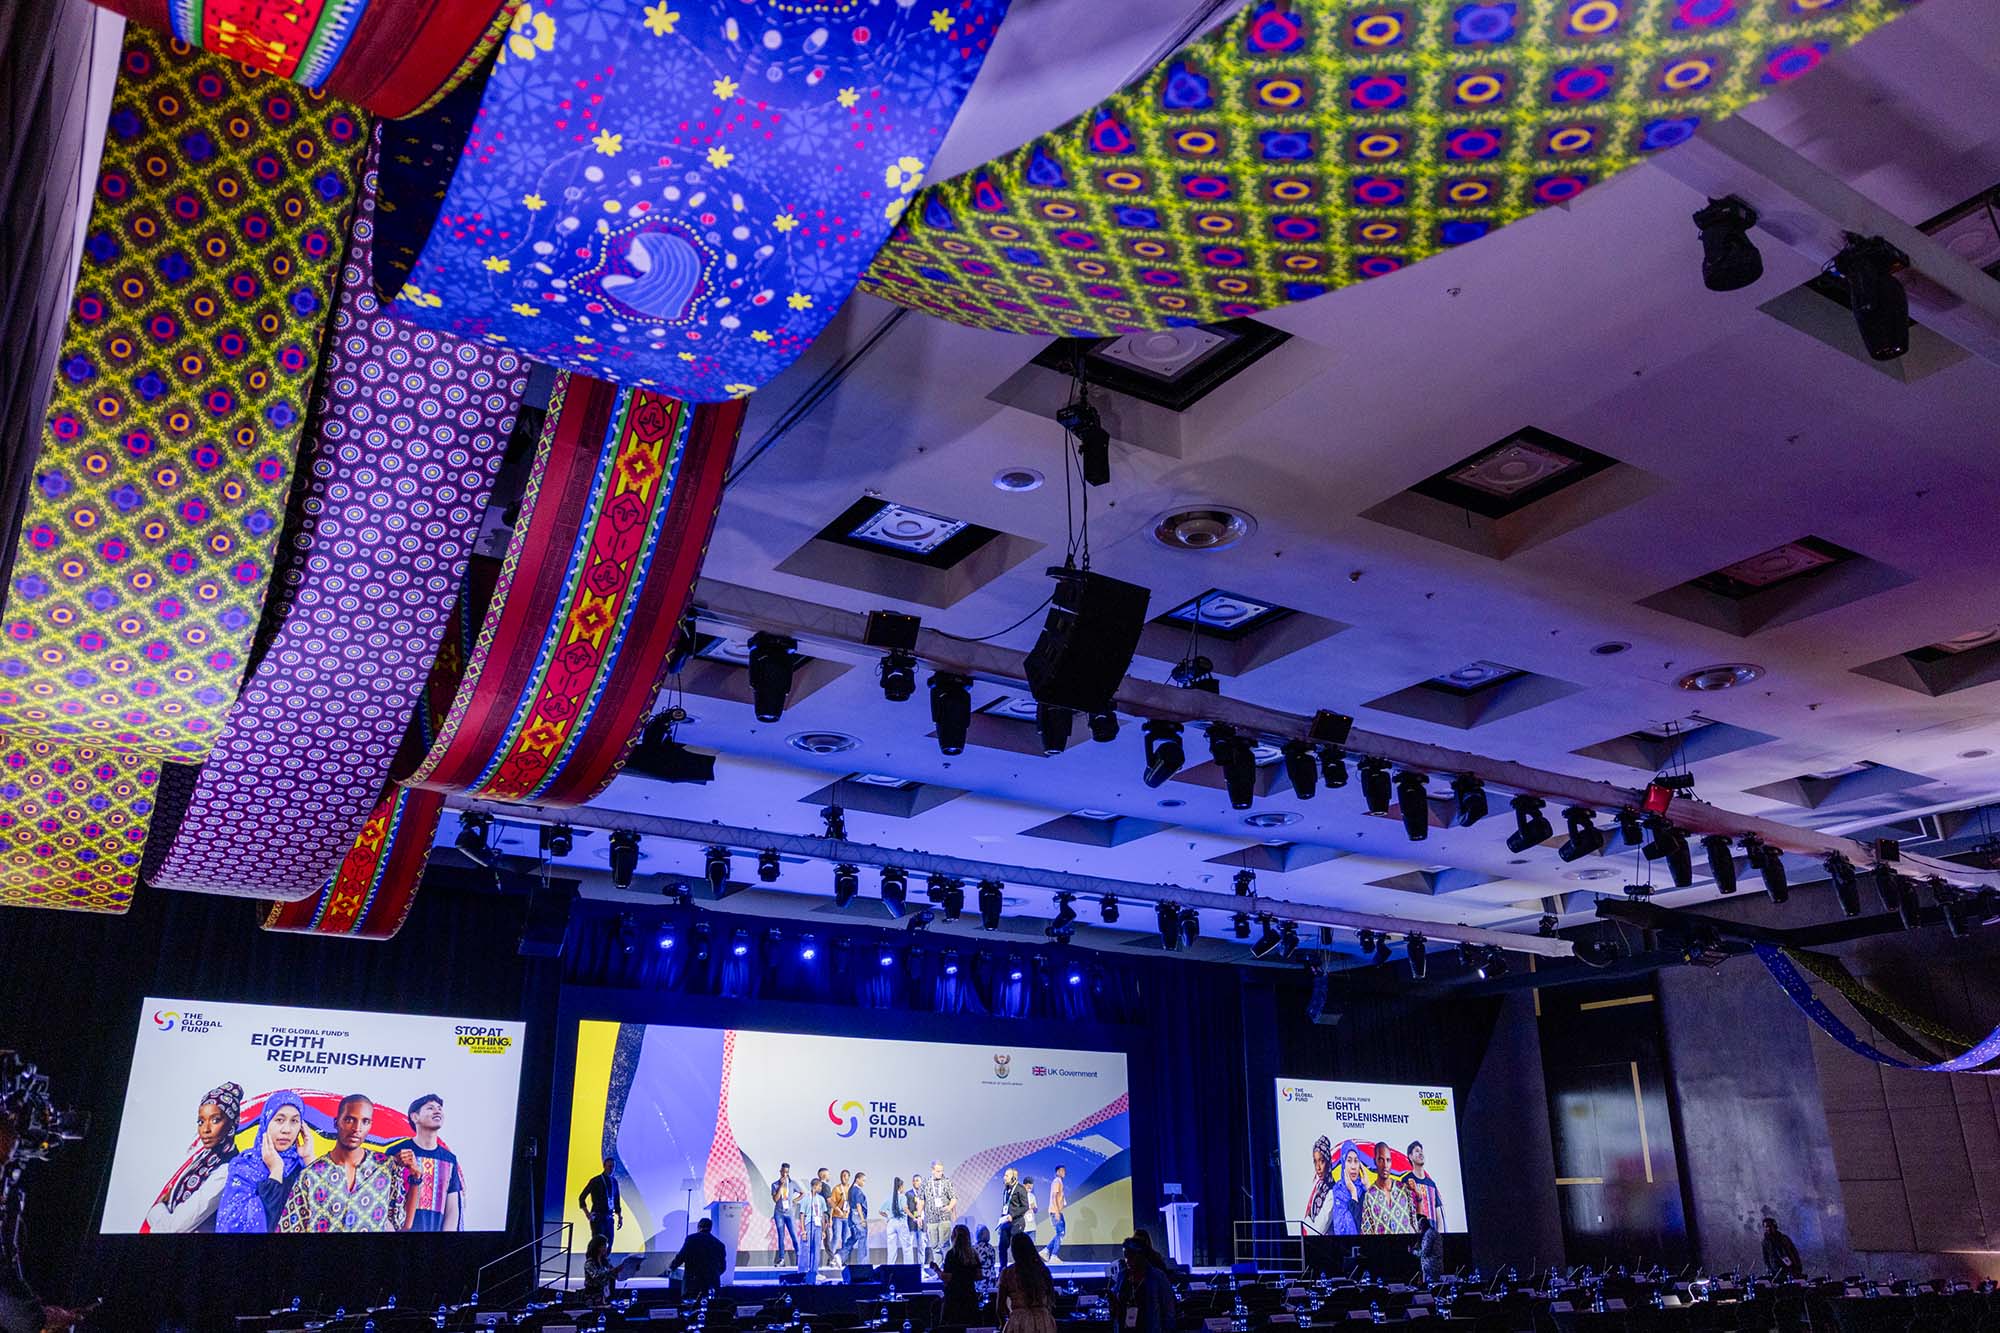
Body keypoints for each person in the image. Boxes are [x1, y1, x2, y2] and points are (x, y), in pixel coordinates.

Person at [276, 1094, 404, 1232]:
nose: (357, 1128)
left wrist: (416, 1180)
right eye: (349, 1120)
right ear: (336, 1122)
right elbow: (289, 1229)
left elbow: (400, 1222)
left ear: (370, 1125)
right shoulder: (311, 1176)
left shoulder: (385, 1168)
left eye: (365, 1121)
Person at [142, 1082, 243, 1233]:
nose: (205, 1129)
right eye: (201, 1122)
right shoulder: (203, 1158)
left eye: (215, 1120)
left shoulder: (228, 1170)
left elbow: (173, 1229)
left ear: (232, 1123)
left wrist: (156, 1209)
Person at [216, 1090, 312, 1233]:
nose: (287, 1130)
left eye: (294, 1121)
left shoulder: (302, 1165)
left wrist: (309, 1159)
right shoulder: (244, 1166)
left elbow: (327, 1214)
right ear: (266, 1121)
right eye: (279, 1120)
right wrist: (276, 1173)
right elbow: (232, 1226)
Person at [386, 1093, 464, 1232]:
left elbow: (452, 1207)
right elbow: (383, 1196)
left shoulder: (449, 1159)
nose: (437, 1110)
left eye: (440, 1108)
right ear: (415, 1117)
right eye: (430, 1108)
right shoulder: (397, 1152)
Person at [997, 1232, 1057, 1333]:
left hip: (1018, 1323)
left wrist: (1004, 1323)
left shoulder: (1008, 1273)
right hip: (1043, 1322)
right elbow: (1051, 1300)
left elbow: (1000, 1307)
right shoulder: (1043, 1270)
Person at [1118, 1234, 1175, 1333]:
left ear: (1140, 1255)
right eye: (1125, 1257)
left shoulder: (1158, 1277)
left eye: (1130, 1256)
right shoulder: (1122, 1275)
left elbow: (1168, 1310)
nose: (1127, 1261)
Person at [1360, 1141, 1416, 1235]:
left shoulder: (1403, 1190)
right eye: (1381, 1160)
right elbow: (1366, 1235)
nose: (1385, 1165)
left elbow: (1415, 1226)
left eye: (1388, 1160)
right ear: (1375, 1161)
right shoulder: (1369, 1196)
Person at [671, 1215, 729, 1301]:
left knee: (690, 1309)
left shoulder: (691, 1239)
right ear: (710, 1228)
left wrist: (671, 1267)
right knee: (711, 1311)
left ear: (698, 1227)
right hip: (712, 1285)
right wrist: (712, 1275)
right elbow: (723, 1267)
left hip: (693, 1284)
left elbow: (681, 1256)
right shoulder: (720, 1244)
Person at [938, 1224, 984, 1325]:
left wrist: (936, 1270)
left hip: (953, 1298)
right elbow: (979, 1275)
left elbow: (947, 1277)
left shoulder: (951, 1254)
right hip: (970, 1296)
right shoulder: (973, 1254)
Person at [578, 1156, 622, 1245]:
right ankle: (593, 1259)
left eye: (613, 1166)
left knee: (609, 1244)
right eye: (609, 1166)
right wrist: (587, 1214)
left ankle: (604, 1259)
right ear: (604, 1166)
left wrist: (620, 1217)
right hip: (598, 1217)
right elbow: (582, 1197)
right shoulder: (596, 1180)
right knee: (598, 1244)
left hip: (609, 1218)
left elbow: (616, 1201)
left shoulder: (614, 1181)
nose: (611, 1169)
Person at [1404, 1141, 1445, 1232]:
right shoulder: (1406, 1181)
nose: (1421, 1153)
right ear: (1410, 1157)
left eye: (1421, 1151)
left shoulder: (1432, 1184)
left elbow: (1438, 1213)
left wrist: (1440, 1234)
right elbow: (1404, 1212)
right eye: (1417, 1151)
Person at [922, 1160, 957, 1265]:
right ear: (932, 1170)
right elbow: (921, 1200)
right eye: (938, 1171)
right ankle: (939, 1270)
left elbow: (954, 1198)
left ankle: (948, 1269)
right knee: (935, 1246)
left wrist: (949, 1207)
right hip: (931, 1219)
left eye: (941, 1171)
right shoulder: (926, 1182)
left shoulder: (947, 1182)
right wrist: (919, 1216)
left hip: (944, 1218)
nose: (940, 1173)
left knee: (945, 1244)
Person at [1302, 1136, 1337, 1237]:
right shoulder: (1318, 1187)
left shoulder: (1332, 1191)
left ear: (1328, 1162)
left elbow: (1318, 1231)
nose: (1318, 1167)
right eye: (1315, 1161)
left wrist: (1307, 1218)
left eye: (1321, 1161)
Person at [1329, 1144, 1366, 1236]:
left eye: (1356, 1161)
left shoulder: (1364, 1191)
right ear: (1343, 1164)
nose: (1353, 1166)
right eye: (1349, 1161)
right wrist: (1353, 1193)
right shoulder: (1336, 1192)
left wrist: (1365, 1188)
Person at [771, 1162, 803, 1267]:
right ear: (780, 1172)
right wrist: (781, 1185)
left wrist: (794, 1201)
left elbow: (802, 1193)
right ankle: (781, 1259)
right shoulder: (775, 1184)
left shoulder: (792, 1184)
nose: (785, 1174)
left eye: (787, 1172)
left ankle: (800, 1257)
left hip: (789, 1213)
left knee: (794, 1235)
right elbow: (775, 1199)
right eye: (783, 1172)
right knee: (781, 1236)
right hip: (779, 1213)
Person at [997, 1167, 1027, 1268]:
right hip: (1006, 1223)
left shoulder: (1020, 1189)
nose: (1004, 1178)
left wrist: (1012, 1215)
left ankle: (1020, 1269)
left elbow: (1025, 1207)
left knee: (1016, 1248)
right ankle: (1003, 1270)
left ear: (1013, 1178)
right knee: (1002, 1247)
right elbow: (1006, 1205)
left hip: (1017, 1223)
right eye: (1004, 1175)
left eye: (1007, 1176)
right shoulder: (1006, 1189)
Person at [582, 1235, 619, 1308]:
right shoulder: (589, 1263)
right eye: (604, 1246)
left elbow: (614, 1275)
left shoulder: (606, 1262)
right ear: (598, 1247)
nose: (606, 1248)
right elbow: (597, 1276)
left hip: (605, 1296)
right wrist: (612, 1271)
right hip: (592, 1297)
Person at [806, 1169, 831, 1269]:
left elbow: (823, 1213)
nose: (821, 1188)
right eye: (819, 1186)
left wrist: (824, 1230)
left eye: (821, 1186)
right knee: (810, 1247)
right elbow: (803, 1214)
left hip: (819, 1223)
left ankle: (815, 1270)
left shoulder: (821, 1199)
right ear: (814, 1187)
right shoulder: (807, 1198)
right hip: (810, 1224)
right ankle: (810, 1269)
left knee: (817, 1247)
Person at [847, 1170, 871, 1264]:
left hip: (854, 1215)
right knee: (863, 1239)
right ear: (857, 1179)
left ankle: (862, 1262)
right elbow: (858, 1205)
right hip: (857, 1215)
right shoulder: (857, 1190)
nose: (864, 1183)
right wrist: (862, 1219)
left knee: (861, 1238)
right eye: (863, 1180)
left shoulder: (851, 1189)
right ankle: (863, 1263)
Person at [1412, 1215, 1443, 1286]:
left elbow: (1424, 1253)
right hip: (1437, 1266)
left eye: (1420, 1226)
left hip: (1430, 1268)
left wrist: (1413, 1251)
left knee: (1430, 1289)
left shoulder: (1428, 1235)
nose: (1419, 1229)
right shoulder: (1436, 1233)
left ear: (1423, 1225)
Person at [1044, 1165, 1067, 1261]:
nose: (1064, 1172)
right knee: (1061, 1233)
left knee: (1061, 1233)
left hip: (1057, 1211)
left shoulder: (1059, 1182)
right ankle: (1053, 1255)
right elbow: (1054, 1196)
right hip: (1055, 1211)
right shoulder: (1057, 1181)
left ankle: (1046, 1251)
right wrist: (1057, 1212)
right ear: (1057, 1172)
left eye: (1064, 1171)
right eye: (1061, 1171)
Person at [830, 1169, 851, 1266]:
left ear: (848, 1177)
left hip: (847, 1217)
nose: (844, 1178)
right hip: (837, 1217)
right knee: (836, 1237)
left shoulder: (851, 1189)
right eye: (842, 1176)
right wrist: (830, 1218)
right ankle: (831, 1258)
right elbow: (832, 1204)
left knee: (845, 1239)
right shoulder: (837, 1189)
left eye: (845, 1176)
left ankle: (842, 1259)